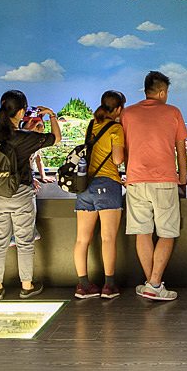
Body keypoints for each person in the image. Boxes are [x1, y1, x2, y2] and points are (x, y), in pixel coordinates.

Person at [0, 90, 61, 300]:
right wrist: (52, 115)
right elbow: (56, 139)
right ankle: (26, 285)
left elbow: (6, 132)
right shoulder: (24, 138)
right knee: (24, 241)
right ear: (21, 111)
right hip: (19, 194)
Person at [121, 71, 187, 302]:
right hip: (164, 180)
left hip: (135, 181)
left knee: (143, 232)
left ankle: (151, 283)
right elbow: (180, 148)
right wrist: (184, 177)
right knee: (167, 232)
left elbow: (124, 148)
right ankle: (155, 282)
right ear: (161, 92)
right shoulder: (173, 112)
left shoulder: (127, 114)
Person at [73, 90, 127, 300]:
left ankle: (83, 285)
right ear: (119, 109)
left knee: (81, 240)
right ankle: (109, 286)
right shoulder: (116, 128)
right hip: (107, 184)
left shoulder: (91, 124)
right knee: (108, 238)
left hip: (85, 185)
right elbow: (117, 160)